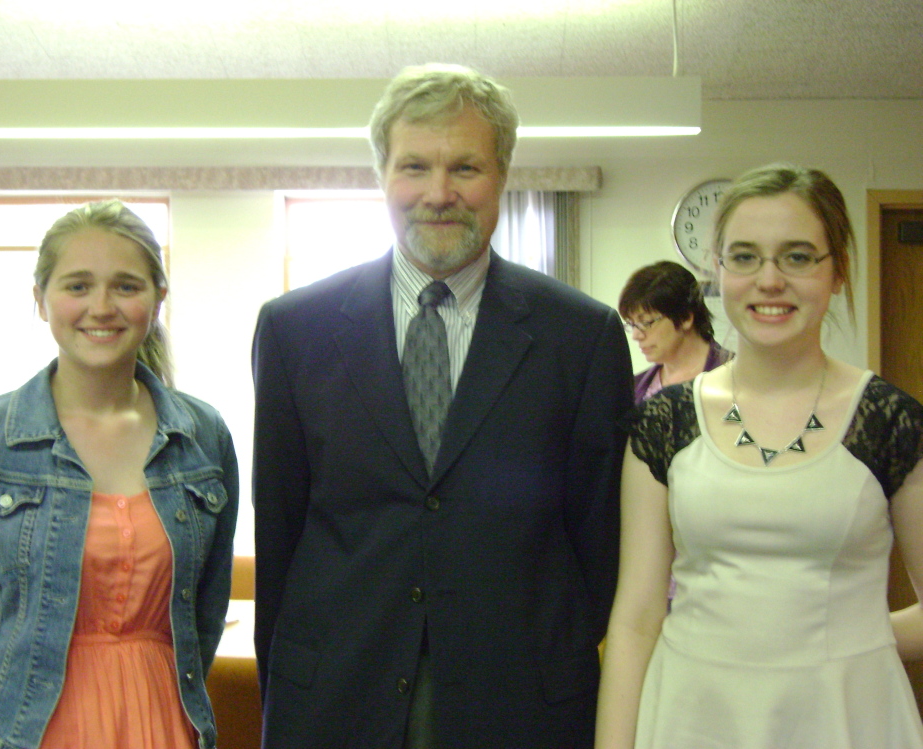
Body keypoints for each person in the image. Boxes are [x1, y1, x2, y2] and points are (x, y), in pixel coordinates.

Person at [253, 63, 632, 748]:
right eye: (414, 167)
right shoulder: (293, 330)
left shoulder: (580, 335)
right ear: (381, 176)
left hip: (520, 698)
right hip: (338, 693)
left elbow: (599, 538)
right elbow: (281, 530)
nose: (438, 193)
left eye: (465, 167)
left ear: (503, 175)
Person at [595, 164, 923, 748]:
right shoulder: (662, 423)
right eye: (744, 257)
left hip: (846, 717)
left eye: (798, 256)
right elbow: (637, 619)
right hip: (694, 716)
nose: (769, 279)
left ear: (838, 272)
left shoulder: (890, 422)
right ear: (717, 273)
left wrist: (846, 641)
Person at [0, 200, 238, 749]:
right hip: (9, 731)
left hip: (160, 720)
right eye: (77, 286)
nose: (101, 307)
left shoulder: (203, 436)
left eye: (125, 286)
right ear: (41, 301)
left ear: (157, 298)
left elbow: (204, 610)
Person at [618, 260, 731, 404]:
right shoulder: (634, 388)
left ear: (685, 318)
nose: (636, 335)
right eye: (632, 324)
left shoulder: (735, 376)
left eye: (645, 322)